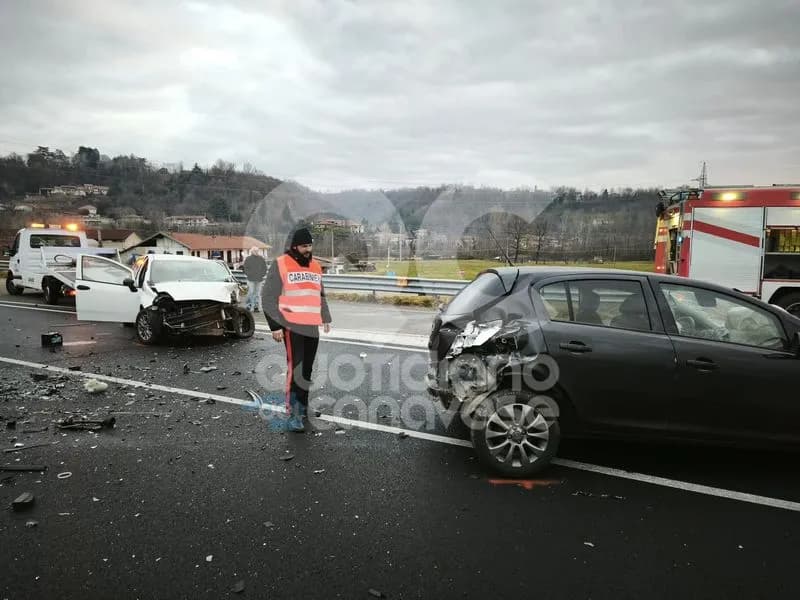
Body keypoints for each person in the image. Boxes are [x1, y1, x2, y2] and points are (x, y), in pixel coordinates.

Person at [262, 227, 332, 432]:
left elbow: (320, 294)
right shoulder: (281, 263)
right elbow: (268, 296)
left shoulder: (316, 266)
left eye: (310, 245)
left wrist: (325, 317)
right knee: (296, 370)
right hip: (291, 326)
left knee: (307, 369)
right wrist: (275, 326)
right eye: (304, 246)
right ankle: (293, 413)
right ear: (294, 246)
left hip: (311, 326)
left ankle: (303, 406)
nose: (307, 249)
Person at [242, 247, 267, 312]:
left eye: (257, 250)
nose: (257, 252)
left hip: (259, 279)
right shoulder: (248, 259)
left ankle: (256, 306)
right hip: (250, 279)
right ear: (252, 251)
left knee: (257, 293)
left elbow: (265, 268)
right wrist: (249, 274)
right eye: (255, 251)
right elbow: (245, 268)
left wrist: (262, 274)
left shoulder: (261, 259)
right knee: (251, 292)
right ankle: (249, 305)